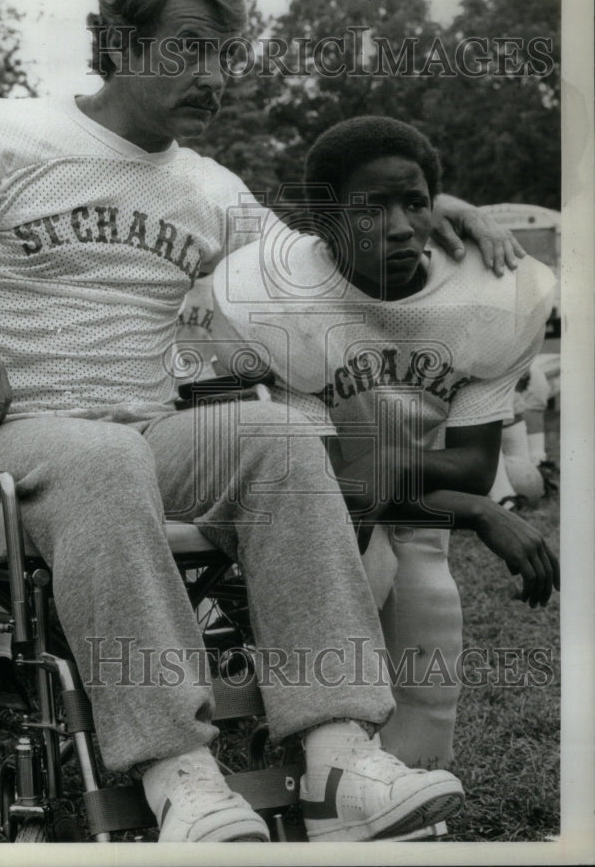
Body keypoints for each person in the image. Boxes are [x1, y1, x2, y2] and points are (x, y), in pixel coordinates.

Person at [0, 0, 524, 843]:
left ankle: (338, 758)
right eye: (192, 48)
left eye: (229, 55)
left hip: (153, 437)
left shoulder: (210, 188)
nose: (217, 77)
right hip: (18, 441)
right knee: (104, 453)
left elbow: (325, 273)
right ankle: (181, 777)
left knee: (277, 437)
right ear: (119, 44)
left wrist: (434, 209)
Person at [211, 115, 560, 771]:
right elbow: (339, 491)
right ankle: (326, 783)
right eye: (373, 209)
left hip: (418, 507)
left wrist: (409, 468)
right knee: (341, 658)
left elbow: (478, 467)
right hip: (322, 519)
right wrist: (480, 513)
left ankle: (416, 809)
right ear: (325, 220)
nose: (401, 227)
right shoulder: (284, 296)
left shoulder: (485, 300)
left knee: (432, 662)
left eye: (417, 203)